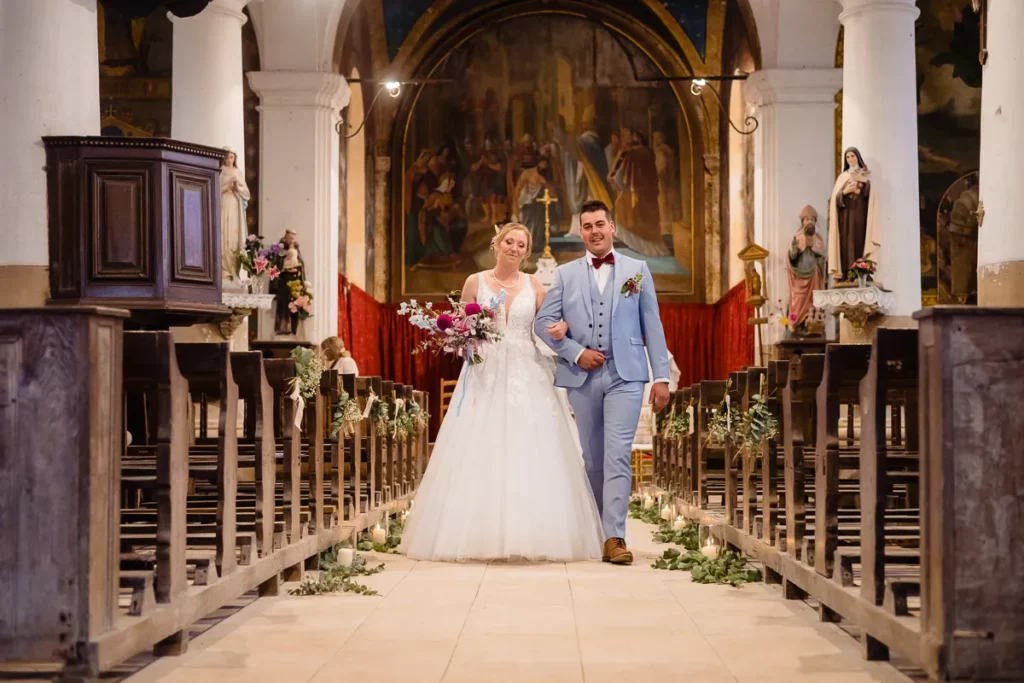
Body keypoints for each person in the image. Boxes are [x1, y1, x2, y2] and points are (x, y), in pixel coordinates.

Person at [400, 223, 603, 562]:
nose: (514, 247)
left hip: (528, 370)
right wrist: (464, 339)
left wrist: (563, 326)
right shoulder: (474, 282)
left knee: (530, 446)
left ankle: (535, 533)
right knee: (482, 443)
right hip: (486, 371)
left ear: (527, 252)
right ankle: (478, 534)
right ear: (496, 244)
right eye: (509, 241)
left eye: (521, 244)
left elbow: (556, 321)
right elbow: (457, 325)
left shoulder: (534, 284)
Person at [535, 200, 671, 565]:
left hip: (625, 375)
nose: (594, 231)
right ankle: (595, 531)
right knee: (592, 458)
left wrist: (661, 376)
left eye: (600, 224)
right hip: (581, 377)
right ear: (581, 232)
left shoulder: (637, 269)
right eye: (587, 226)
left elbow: (651, 325)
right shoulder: (565, 275)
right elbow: (542, 323)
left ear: (612, 227)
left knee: (616, 456)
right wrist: (576, 352)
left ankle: (615, 536)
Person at [828, 146, 879, 280]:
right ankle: (846, 273)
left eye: (853, 156)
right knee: (846, 242)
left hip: (860, 213)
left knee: (860, 239)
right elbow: (834, 199)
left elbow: (871, 195)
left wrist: (864, 181)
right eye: (848, 157)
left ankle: (861, 272)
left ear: (858, 157)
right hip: (845, 215)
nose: (850, 159)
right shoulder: (842, 177)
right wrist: (844, 192)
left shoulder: (865, 174)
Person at [787, 205, 826, 330]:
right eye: (807, 219)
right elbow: (791, 258)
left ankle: (814, 327)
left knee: (814, 303)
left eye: (812, 220)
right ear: (802, 222)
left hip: (814, 276)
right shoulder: (797, 238)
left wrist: (816, 249)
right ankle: (794, 325)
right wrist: (795, 250)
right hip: (799, 277)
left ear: (815, 222)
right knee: (797, 302)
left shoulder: (819, 238)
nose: (809, 222)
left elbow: (823, 256)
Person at [220, 148, 250, 283]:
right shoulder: (219, 171)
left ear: (234, 158)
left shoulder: (238, 172)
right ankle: (223, 270)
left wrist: (237, 187)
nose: (229, 160)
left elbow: (246, 194)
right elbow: (215, 189)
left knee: (233, 237)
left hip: (234, 206)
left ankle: (233, 271)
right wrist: (227, 186)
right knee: (222, 235)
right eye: (226, 157)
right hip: (223, 205)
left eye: (231, 157)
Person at [273, 230, 304, 336]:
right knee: (284, 302)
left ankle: (292, 328)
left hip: (294, 277)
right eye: (290, 238)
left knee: (294, 303)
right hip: (285, 277)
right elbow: (279, 262)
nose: (291, 240)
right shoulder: (282, 249)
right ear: (286, 237)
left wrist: (299, 269)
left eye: (293, 238)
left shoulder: (296, 248)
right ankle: (283, 327)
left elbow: (300, 261)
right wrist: (284, 268)